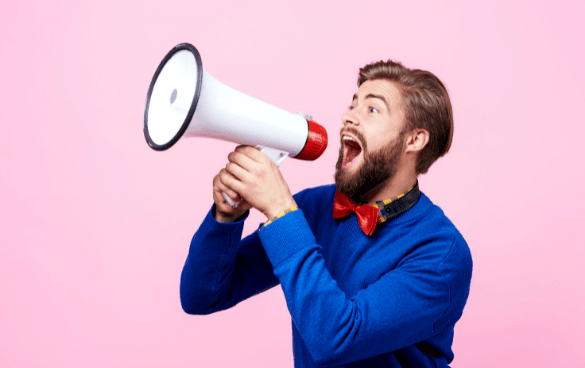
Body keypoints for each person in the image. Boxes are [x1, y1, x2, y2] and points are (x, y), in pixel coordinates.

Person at [180, 60, 473, 367]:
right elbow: (201, 296)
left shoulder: (442, 255)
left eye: (372, 110)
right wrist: (227, 217)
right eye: (353, 104)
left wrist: (280, 210)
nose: (348, 117)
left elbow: (336, 337)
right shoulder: (315, 208)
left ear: (414, 139)